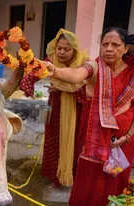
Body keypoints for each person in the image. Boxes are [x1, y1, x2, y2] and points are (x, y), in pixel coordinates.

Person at [44, 27, 134, 206]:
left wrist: (128, 135)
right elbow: (76, 74)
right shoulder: (96, 66)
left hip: (124, 139)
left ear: (126, 48)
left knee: (114, 178)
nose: (109, 49)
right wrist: (56, 70)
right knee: (90, 173)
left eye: (115, 45)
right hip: (95, 135)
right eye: (105, 44)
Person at [19, 29, 88, 190]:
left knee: (74, 141)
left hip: (77, 109)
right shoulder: (51, 60)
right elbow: (34, 73)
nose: (62, 52)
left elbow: (88, 88)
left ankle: (72, 174)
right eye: (59, 48)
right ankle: (55, 176)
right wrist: (22, 87)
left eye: (67, 49)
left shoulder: (83, 63)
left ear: (75, 50)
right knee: (55, 139)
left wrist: (63, 87)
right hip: (56, 107)